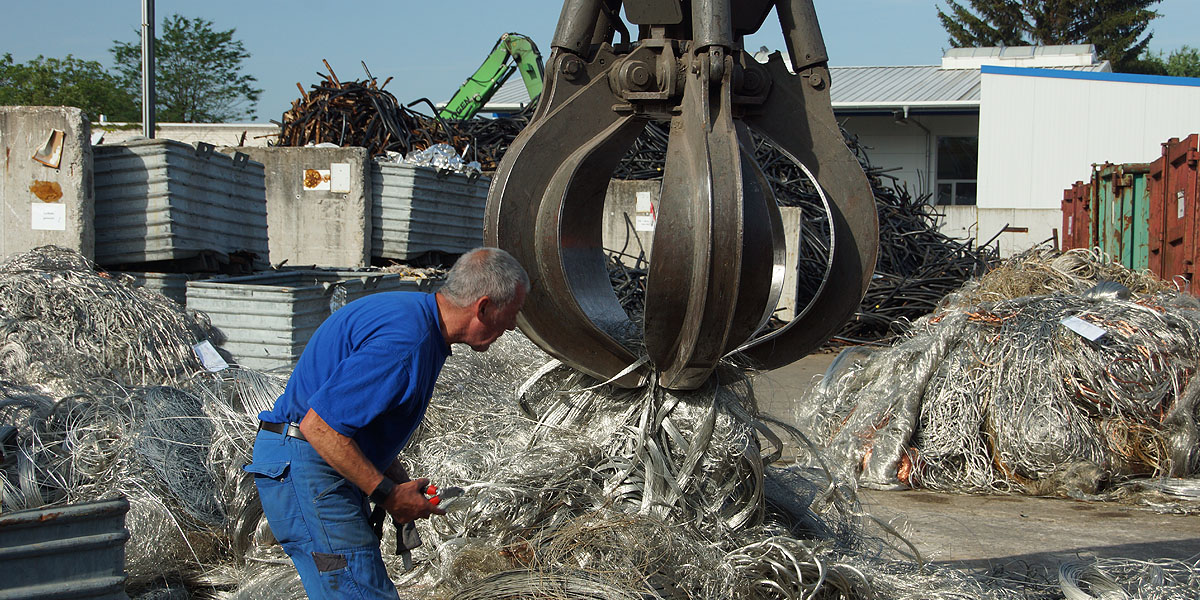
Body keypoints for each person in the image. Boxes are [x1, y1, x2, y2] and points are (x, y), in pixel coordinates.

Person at [244, 247, 529, 599]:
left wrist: (396, 481)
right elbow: (320, 426)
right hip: (307, 465)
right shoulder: (407, 342)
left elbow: (353, 424)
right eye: (512, 313)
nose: (513, 325)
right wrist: (388, 495)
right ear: (483, 307)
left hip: (311, 462)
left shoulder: (414, 319)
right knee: (360, 592)